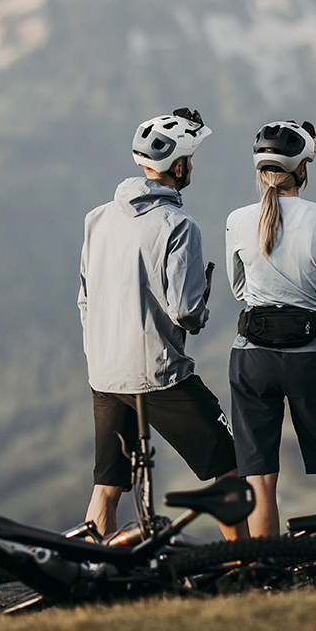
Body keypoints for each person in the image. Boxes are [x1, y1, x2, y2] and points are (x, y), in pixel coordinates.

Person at [78, 107, 246, 541]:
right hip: (159, 374)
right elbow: (188, 312)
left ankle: (100, 579)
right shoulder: (178, 225)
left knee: (107, 486)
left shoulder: (97, 218)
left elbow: (84, 297)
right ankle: (249, 570)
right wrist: (205, 299)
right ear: (181, 164)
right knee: (229, 467)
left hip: (105, 373)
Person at [225, 120, 316, 539]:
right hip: (312, 357)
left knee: (259, 479)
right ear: (302, 168)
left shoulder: (236, 219)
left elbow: (238, 289)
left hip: (252, 357)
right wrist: (314, 280)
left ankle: (267, 576)